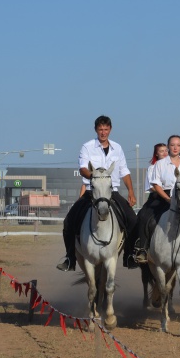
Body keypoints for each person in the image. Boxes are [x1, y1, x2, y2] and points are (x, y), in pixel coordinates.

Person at [57, 115, 138, 272]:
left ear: (110, 129)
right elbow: (83, 168)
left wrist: (131, 191)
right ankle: (70, 258)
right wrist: (94, 177)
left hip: (112, 192)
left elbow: (124, 171)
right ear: (96, 130)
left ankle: (129, 255)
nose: (103, 132)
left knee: (133, 220)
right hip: (91, 192)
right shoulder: (87, 147)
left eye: (106, 129)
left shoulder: (117, 148)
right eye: (100, 129)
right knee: (68, 222)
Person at [134, 136, 180, 267]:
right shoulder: (160, 164)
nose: (175, 148)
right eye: (172, 145)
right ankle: (143, 249)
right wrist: (167, 199)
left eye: (178, 145)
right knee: (144, 215)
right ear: (168, 147)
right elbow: (156, 184)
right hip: (163, 196)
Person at [122, 142, 167, 268]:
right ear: (156, 154)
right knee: (141, 217)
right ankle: (139, 248)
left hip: (172, 198)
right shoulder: (152, 168)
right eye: (161, 151)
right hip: (156, 198)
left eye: (166, 150)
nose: (164, 153)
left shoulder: (174, 167)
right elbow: (151, 187)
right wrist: (163, 191)